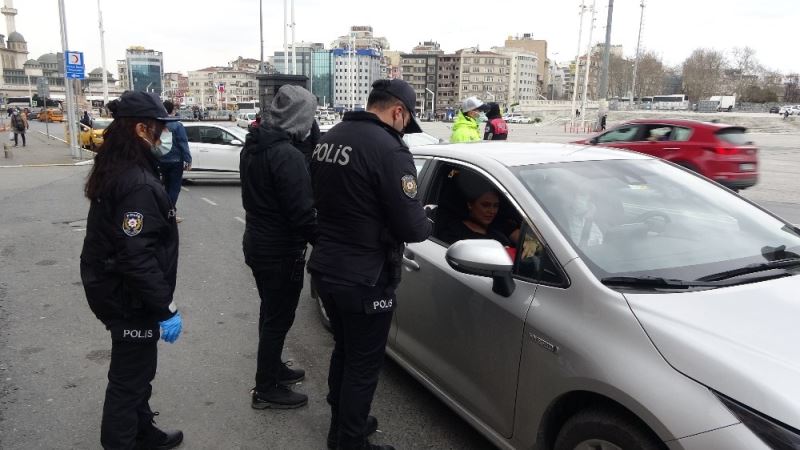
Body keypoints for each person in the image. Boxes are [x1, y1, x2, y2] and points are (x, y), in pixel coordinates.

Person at [309, 79, 432, 450]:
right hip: (365, 276)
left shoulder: (330, 138)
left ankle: (343, 424)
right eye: (405, 121)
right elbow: (412, 227)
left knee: (345, 351)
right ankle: (350, 440)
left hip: (327, 266)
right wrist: (429, 220)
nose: (403, 129)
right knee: (362, 365)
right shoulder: (389, 150)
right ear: (398, 111)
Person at [79, 91, 184, 450]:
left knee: (139, 372)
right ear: (141, 129)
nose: (163, 136)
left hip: (117, 290)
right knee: (129, 380)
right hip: (127, 297)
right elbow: (135, 257)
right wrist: (164, 309)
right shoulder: (136, 182)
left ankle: (143, 432)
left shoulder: (125, 168)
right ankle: (123, 441)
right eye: (159, 129)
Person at [240, 85, 318, 410]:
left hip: (258, 243)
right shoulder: (286, 156)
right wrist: (327, 243)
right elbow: (302, 213)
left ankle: (273, 369)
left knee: (269, 312)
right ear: (301, 116)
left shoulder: (254, 145)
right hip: (280, 250)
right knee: (278, 318)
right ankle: (266, 388)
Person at [158, 100, 192, 222]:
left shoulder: (158, 124)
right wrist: (188, 159)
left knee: (166, 187)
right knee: (174, 188)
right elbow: (183, 143)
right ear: (173, 110)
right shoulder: (177, 125)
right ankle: (170, 214)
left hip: (161, 159)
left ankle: (165, 212)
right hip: (176, 160)